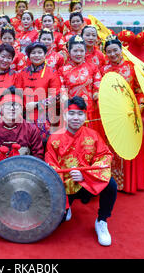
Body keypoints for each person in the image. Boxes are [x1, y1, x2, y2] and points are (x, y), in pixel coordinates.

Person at [45, 96, 116, 247]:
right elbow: (50, 165)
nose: (75, 118)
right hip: (64, 185)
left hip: (87, 183)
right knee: (57, 222)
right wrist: (68, 176)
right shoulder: (54, 138)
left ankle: (102, 221)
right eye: (71, 113)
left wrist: (86, 175)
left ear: (85, 116)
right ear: (64, 115)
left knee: (110, 185)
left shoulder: (93, 136)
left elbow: (105, 157)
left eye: (80, 114)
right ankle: (67, 207)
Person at [101, 35, 144, 193]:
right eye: (109, 52)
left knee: (127, 147)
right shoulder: (103, 70)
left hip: (129, 114)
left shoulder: (132, 67)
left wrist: (139, 106)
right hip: (111, 117)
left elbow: (140, 91)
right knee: (111, 147)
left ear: (122, 50)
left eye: (115, 50)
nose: (113, 54)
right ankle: (110, 182)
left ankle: (128, 184)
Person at [0, 86, 44, 164]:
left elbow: (38, 158)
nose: (12, 108)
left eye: (16, 105)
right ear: (1, 108)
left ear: (21, 109)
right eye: (8, 104)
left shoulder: (31, 129)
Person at [15, 42, 61, 143]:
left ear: (45, 55)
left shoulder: (52, 73)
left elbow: (56, 97)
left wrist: (36, 104)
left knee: (44, 145)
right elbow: (18, 96)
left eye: (40, 52)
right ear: (29, 56)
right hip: (25, 117)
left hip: (46, 118)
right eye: (33, 53)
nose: (36, 55)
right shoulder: (22, 73)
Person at [59, 35, 102, 135]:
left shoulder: (93, 67)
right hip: (71, 112)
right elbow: (62, 90)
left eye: (82, 51)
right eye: (75, 51)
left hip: (90, 112)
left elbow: (98, 87)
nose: (78, 54)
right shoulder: (62, 70)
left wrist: (98, 98)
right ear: (69, 52)